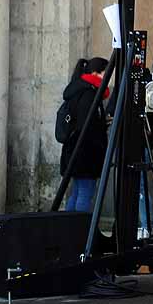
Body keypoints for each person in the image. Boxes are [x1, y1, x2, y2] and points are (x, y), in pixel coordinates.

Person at [59, 57, 110, 213]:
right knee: (85, 194)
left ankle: (69, 229)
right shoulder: (89, 93)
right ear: (95, 73)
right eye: (105, 73)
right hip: (86, 153)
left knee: (77, 192)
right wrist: (102, 126)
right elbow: (87, 125)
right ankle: (78, 231)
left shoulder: (81, 89)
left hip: (77, 151)